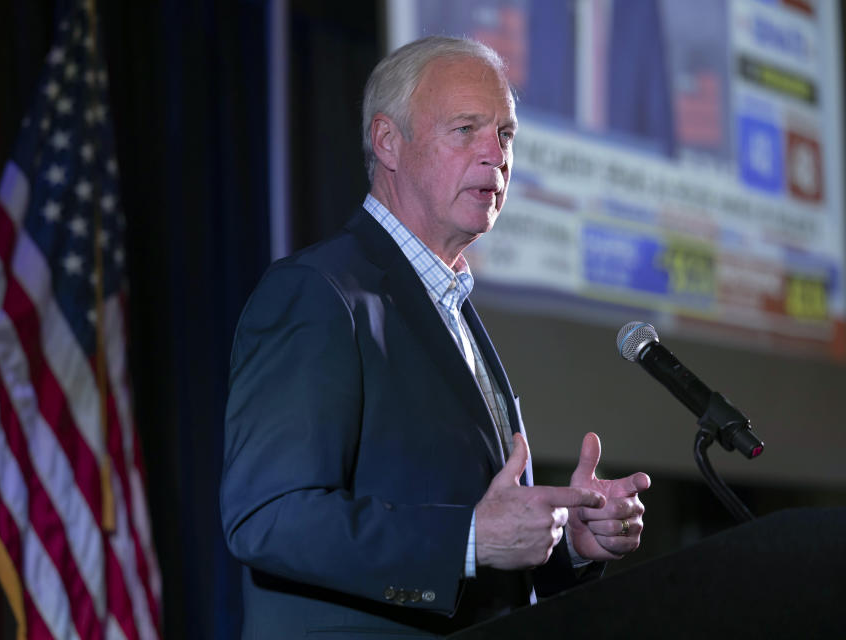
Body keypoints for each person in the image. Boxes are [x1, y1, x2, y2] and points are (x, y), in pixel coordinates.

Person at [220, 36, 650, 639]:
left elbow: (485, 544)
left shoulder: (452, 307)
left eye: (505, 134)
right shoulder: (319, 293)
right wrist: (470, 540)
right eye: (467, 129)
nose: (495, 156)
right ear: (388, 142)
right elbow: (269, 518)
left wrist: (567, 545)